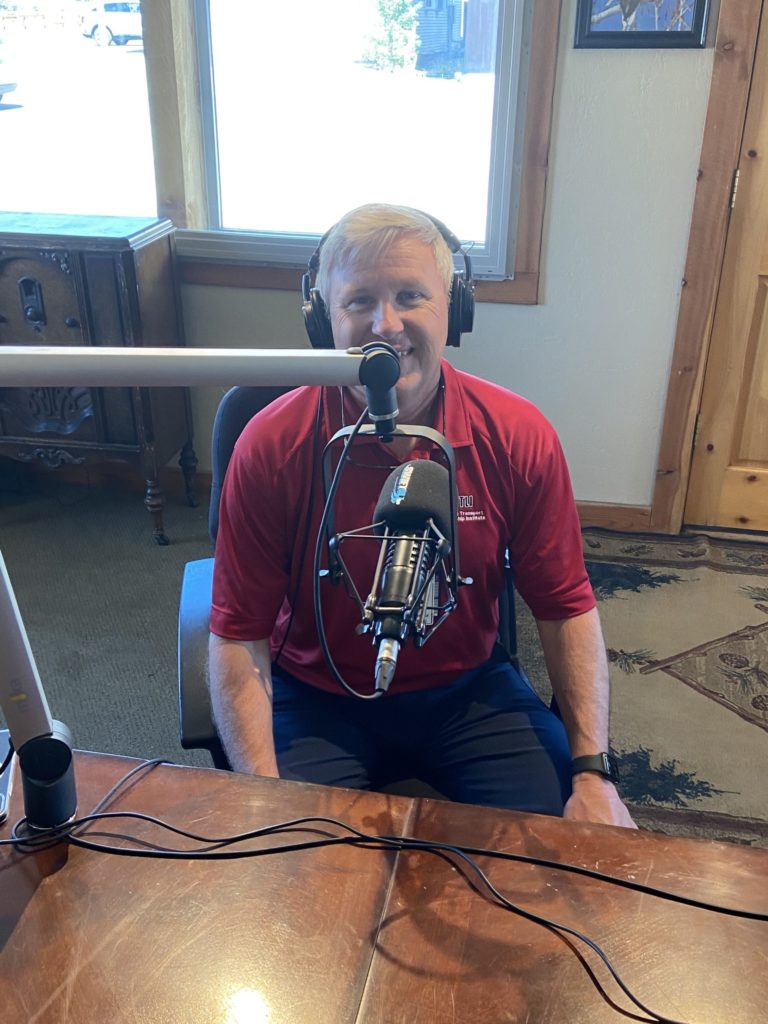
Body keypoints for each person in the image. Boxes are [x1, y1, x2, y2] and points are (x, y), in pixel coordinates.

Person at [208, 203, 636, 828]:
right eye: (359, 301)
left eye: (410, 296)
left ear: (453, 309)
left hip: (469, 693)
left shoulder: (516, 435)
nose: (385, 325)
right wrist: (259, 794)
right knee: (288, 862)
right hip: (315, 696)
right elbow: (237, 632)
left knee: (558, 850)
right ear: (322, 319)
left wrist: (593, 773)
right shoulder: (273, 443)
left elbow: (565, 605)